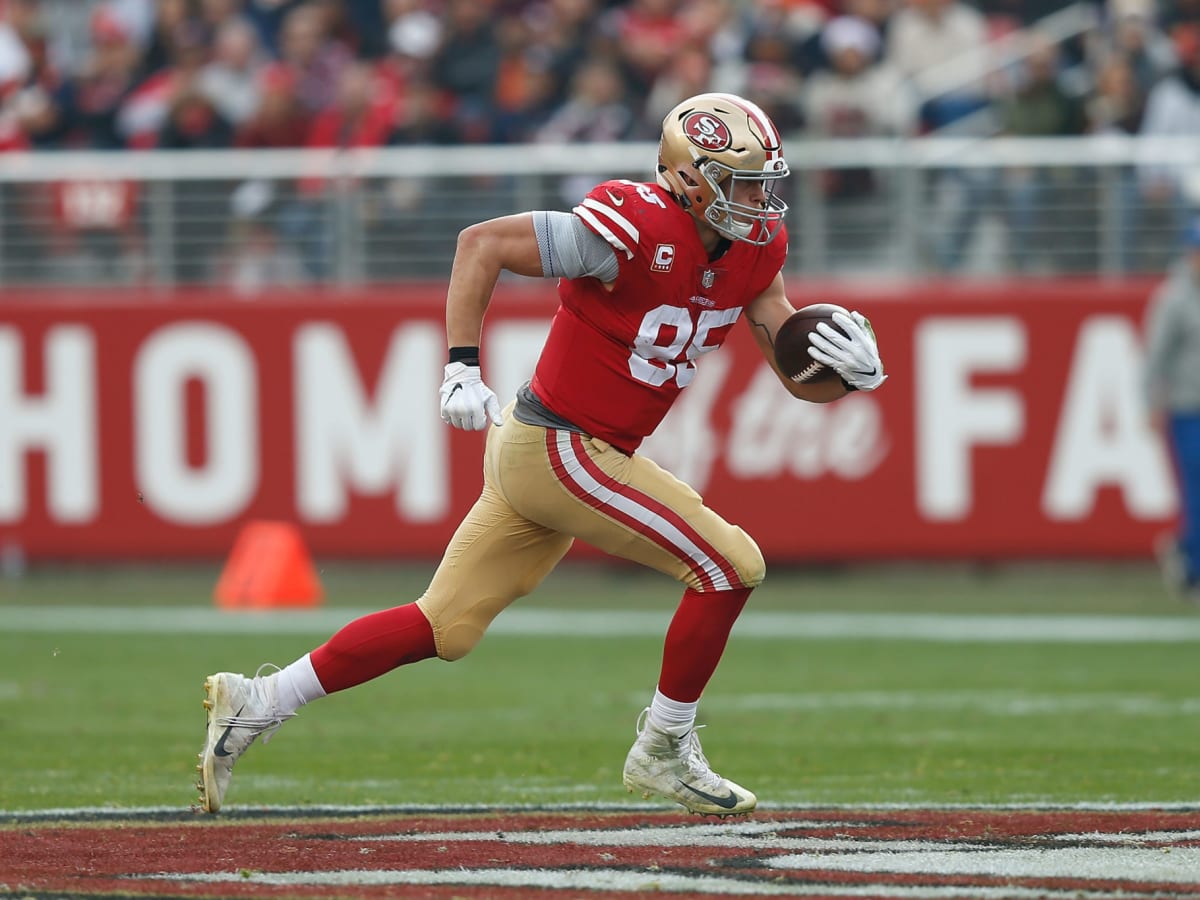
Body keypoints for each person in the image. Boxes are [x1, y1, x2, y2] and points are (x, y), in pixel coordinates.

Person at [195, 92, 887, 817]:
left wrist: (842, 376)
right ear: (688, 177)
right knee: (730, 565)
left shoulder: (755, 250)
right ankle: (662, 748)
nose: (758, 199)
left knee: (445, 627)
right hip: (562, 444)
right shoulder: (631, 225)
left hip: (559, 451)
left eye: (762, 182)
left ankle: (260, 700)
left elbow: (789, 360)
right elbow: (481, 244)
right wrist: (461, 365)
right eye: (742, 182)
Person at [1144, 217, 1200, 603]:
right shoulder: (1174, 298)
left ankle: (1182, 551)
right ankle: (1193, 570)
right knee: (1195, 492)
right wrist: (1151, 403)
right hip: (1187, 408)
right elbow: (1155, 357)